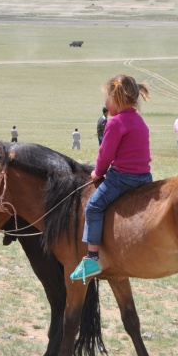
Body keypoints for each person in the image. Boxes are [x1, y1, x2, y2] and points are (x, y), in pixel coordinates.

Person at [70, 75, 151, 282]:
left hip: (123, 178)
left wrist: (97, 172)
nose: (105, 103)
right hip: (144, 177)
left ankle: (92, 258)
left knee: (94, 207)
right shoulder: (139, 120)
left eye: (107, 98)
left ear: (116, 99)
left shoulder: (115, 122)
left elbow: (105, 154)